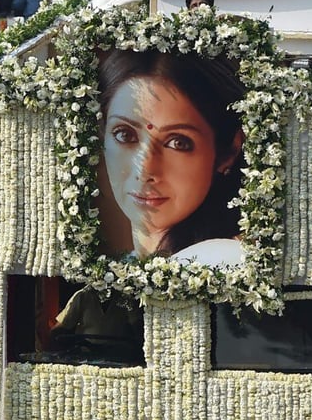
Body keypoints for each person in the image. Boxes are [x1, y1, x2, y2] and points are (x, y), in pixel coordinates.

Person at [96, 49, 246, 263]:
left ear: (228, 152)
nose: (144, 170)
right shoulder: (131, 265)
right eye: (125, 135)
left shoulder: (224, 263)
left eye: (178, 143)